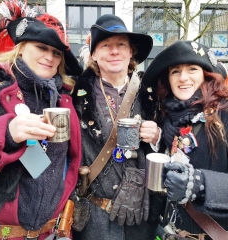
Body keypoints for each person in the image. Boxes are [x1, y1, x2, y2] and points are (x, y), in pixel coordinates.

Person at [0, 1, 83, 239]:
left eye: (57, 53)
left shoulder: (65, 99)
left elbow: (70, 163)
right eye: (42, 47)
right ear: (21, 47)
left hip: (52, 232)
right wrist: (7, 132)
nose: (50, 57)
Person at [72, 14, 164, 240]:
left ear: (131, 51)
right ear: (93, 53)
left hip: (140, 217)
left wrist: (157, 136)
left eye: (121, 44)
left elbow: (175, 146)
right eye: (106, 45)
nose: (114, 51)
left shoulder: (154, 93)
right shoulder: (74, 94)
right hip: (94, 219)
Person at [142, 40, 228, 239]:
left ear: (206, 74)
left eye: (192, 69)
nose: (183, 78)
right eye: (175, 71)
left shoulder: (224, 113)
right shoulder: (169, 115)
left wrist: (199, 183)